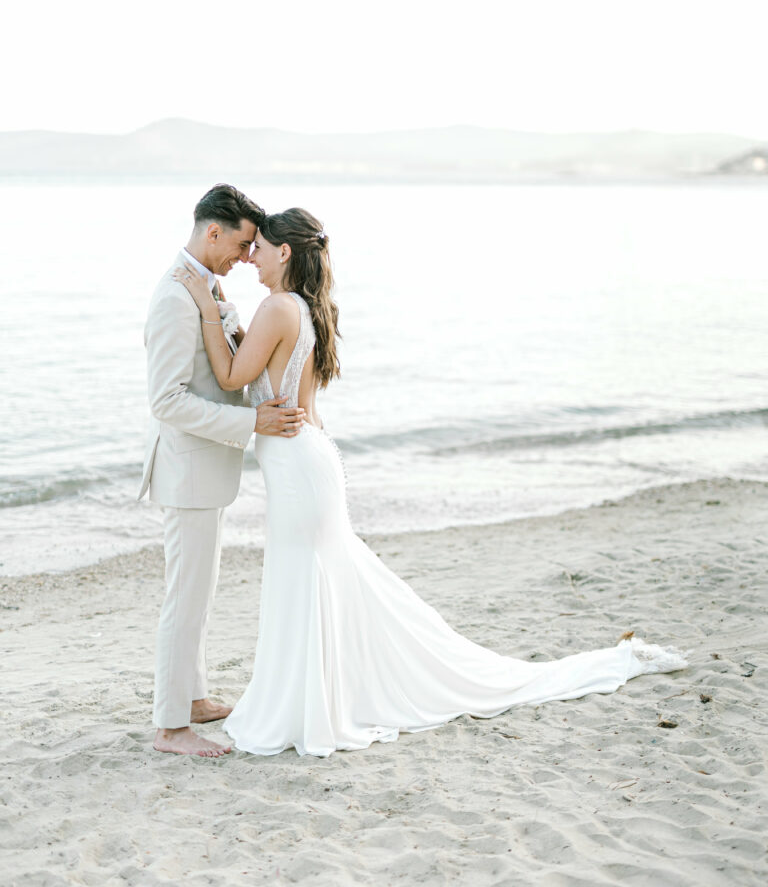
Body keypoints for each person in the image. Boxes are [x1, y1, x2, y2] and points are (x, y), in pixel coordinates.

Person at [174, 206, 688, 758]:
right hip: (309, 457)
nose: (249, 258)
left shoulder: (277, 307)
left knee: (304, 581)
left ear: (285, 253)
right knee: (313, 582)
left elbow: (231, 376)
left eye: (258, 248)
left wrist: (206, 304)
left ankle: (307, 706)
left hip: (298, 467)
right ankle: (309, 699)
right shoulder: (304, 308)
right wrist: (228, 316)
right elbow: (289, 392)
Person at [140, 184, 306, 758]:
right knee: (184, 597)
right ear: (214, 232)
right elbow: (166, 401)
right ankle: (170, 728)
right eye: (239, 245)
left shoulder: (205, 289)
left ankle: (193, 696)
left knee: (200, 591)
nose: (244, 257)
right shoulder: (173, 297)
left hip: (205, 471)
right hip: (187, 472)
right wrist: (251, 424)